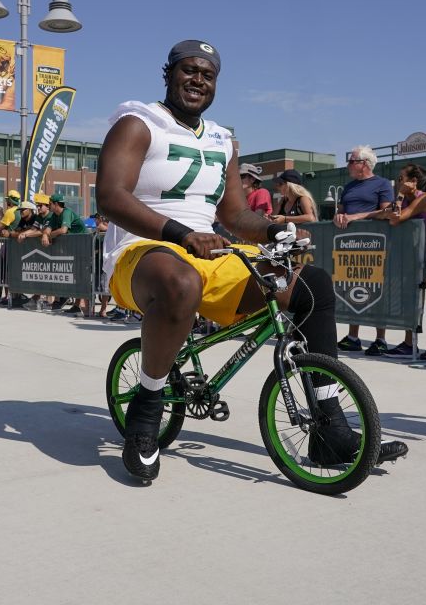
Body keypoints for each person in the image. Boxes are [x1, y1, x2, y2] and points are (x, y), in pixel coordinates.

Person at [97, 39, 405, 483]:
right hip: (140, 252)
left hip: (208, 251)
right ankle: (146, 414)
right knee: (180, 281)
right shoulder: (138, 123)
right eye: (189, 70)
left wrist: (276, 230)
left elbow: (235, 216)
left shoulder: (223, 140)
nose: (198, 79)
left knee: (313, 284)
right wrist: (181, 234)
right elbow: (110, 197)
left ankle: (331, 428)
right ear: (168, 74)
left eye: (208, 74)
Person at [383, 165, 426, 361]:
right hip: (420, 251)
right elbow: (382, 214)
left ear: (413, 182)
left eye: (401, 177)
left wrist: (401, 196)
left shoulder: (425, 198)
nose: (398, 181)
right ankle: (408, 343)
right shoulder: (408, 200)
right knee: (412, 295)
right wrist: (354, 217)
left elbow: (396, 219)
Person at [333, 146, 395, 356]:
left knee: (377, 288)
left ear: (364, 164)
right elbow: (342, 211)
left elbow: (387, 211)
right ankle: (353, 337)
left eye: (351, 161)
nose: (348, 165)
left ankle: (380, 339)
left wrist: (356, 217)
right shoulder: (348, 187)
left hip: (376, 245)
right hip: (350, 245)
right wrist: (339, 217)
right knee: (352, 286)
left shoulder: (382, 184)